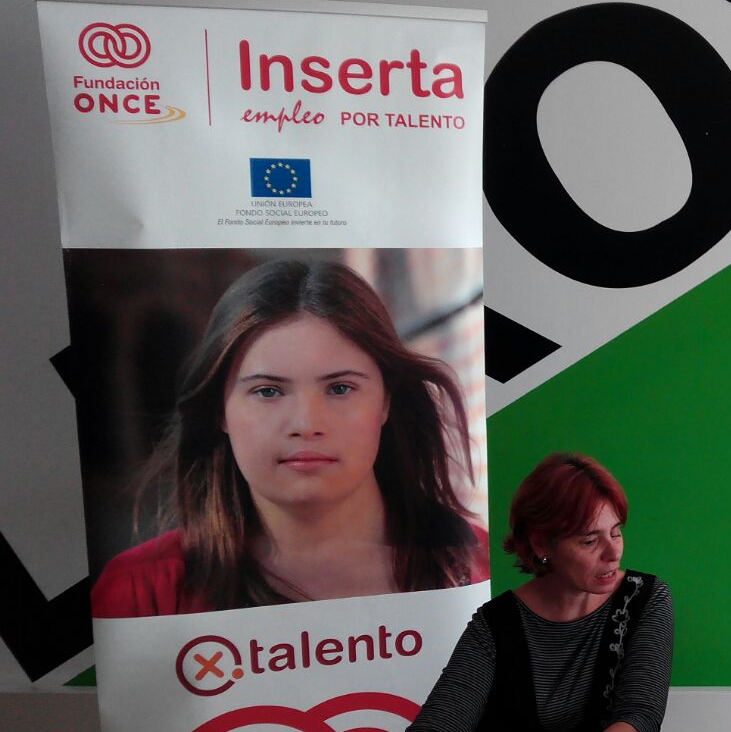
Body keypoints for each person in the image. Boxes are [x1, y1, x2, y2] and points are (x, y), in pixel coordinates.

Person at [89, 258, 487, 617]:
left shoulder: (482, 570)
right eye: (268, 391)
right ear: (220, 410)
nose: (306, 423)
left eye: (340, 388)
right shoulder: (139, 593)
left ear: (386, 402)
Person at [391, 453, 674, 732]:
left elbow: (639, 717)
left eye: (616, 532)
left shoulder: (646, 599)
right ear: (541, 545)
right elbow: (434, 730)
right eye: (589, 541)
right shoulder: (496, 623)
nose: (612, 553)